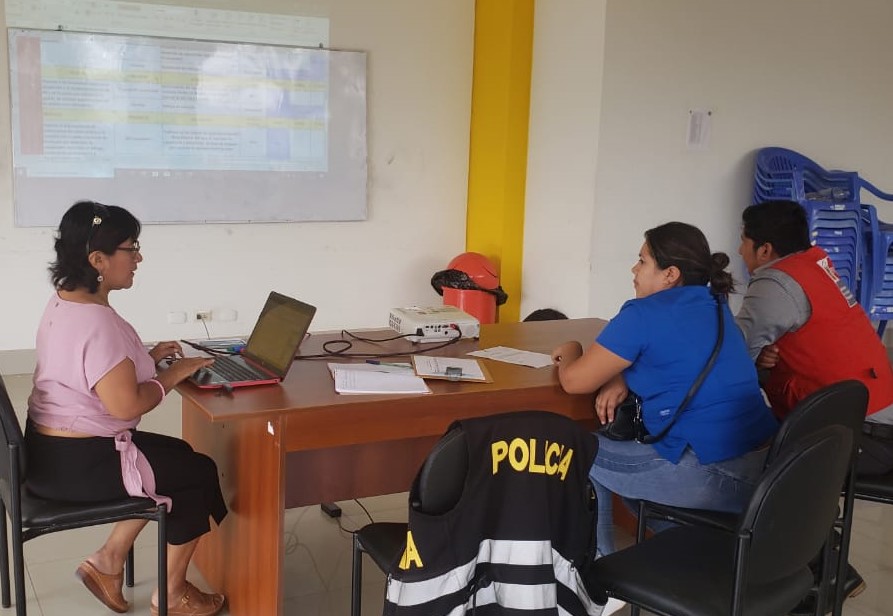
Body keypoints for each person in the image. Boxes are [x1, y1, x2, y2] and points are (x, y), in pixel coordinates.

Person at [26, 201, 227, 616]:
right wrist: (174, 374)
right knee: (197, 474)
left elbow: (91, 373)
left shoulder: (65, 302)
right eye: (131, 248)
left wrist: (147, 361)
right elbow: (126, 406)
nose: (138, 258)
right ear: (98, 260)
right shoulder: (97, 322)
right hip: (81, 464)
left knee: (179, 455)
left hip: (51, 452)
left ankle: (108, 560)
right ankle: (173, 593)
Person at [551, 222, 777, 561]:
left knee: (579, 451)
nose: (634, 269)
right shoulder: (715, 304)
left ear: (670, 274)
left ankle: (599, 569)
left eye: (642, 261)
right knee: (632, 484)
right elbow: (678, 357)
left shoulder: (642, 314)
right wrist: (621, 375)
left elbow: (574, 382)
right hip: (766, 468)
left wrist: (570, 348)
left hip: (713, 472)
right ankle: (704, 561)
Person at [735, 199, 893, 611]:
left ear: (765, 249)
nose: (739, 249)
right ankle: (828, 571)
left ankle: (818, 577)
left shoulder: (774, 283)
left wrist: (755, 359)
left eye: (743, 240)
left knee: (752, 468)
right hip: (872, 414)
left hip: (862, 434)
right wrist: (766, 360)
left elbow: (734, 359)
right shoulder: (814, 266)